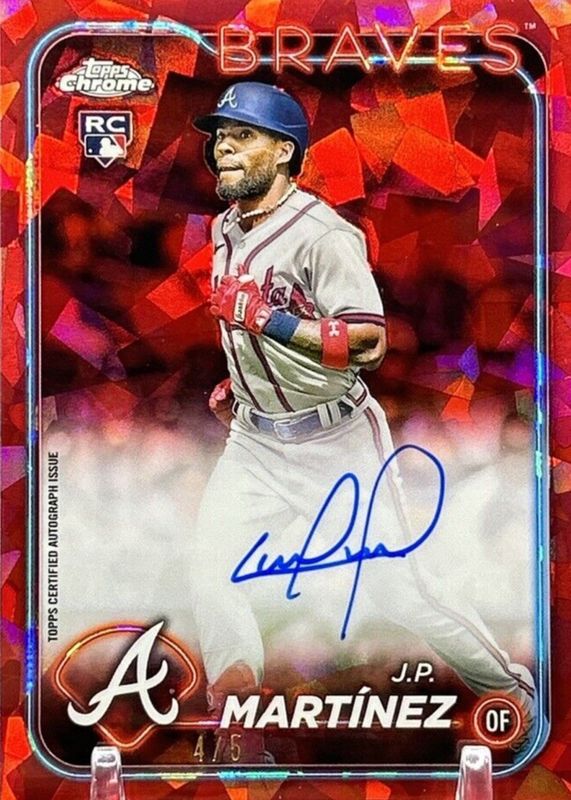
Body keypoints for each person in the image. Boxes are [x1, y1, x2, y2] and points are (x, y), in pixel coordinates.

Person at [191, 81, 535, 764]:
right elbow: (247, 325)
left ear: (283, 150)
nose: (222, 146)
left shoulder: (324, 235)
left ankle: (511, 692)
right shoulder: (224, 227)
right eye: (219, 135)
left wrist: (269, 324)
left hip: (337, 440)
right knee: (209, 569)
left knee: (399, 591)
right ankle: (237, 718)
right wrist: (248, 376)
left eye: (242, 135)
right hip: (253, 439)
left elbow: (369, 343)